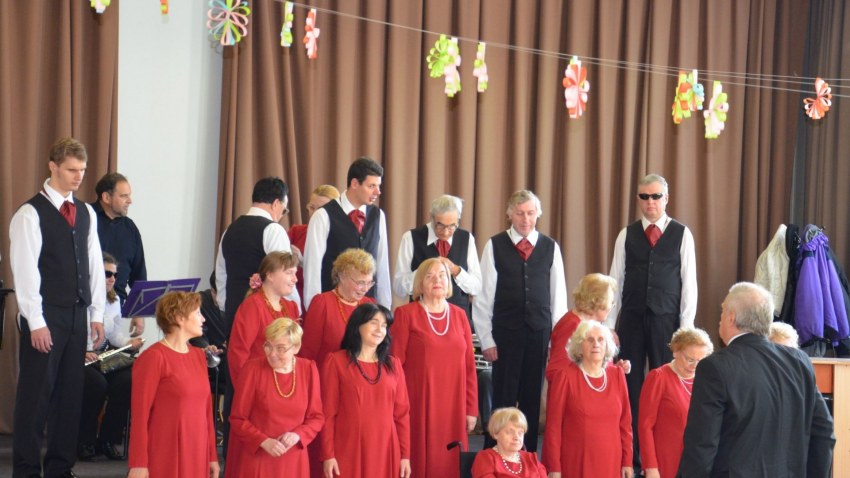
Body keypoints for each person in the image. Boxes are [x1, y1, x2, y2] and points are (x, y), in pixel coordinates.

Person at [9, 137, 106, 478]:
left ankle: (60, 468)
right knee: (35, 398)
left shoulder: (87, 212)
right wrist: (35, 321)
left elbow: (94, 265)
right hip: (45, 314)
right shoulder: (29, 214)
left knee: (69, 396)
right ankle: (25, 470)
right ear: (53, 167)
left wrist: (96, 314)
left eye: (83, 170)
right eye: (71, 170)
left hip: (78, 314)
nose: (79, 177)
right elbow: (25, 271)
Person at [678, 282, 835, 477]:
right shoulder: (799, 362)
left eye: (722, 311)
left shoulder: (714, 367)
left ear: (731, 317)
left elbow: (701, 446)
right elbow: (824, 433)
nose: (720, 318)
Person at [608, 173, 697, 471]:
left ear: (666, 199)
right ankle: (632, 458)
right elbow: (615, 281)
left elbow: (689, 285)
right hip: (631, 320)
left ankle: (658, 458)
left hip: (667, 323)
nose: (650, 202)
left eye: (656, 196)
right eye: (645, 196)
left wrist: (685, 330)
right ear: (638, 199)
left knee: (666, 389)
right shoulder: (627, 234)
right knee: (630, 386)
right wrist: (609, 327)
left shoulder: (682, 234)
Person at [473, 189, 567, 451]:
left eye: (530, 213)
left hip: (539, 333)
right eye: (519, 213)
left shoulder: (550, 247)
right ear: (509, 215)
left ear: (538, 214)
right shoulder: (495, 245)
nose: (525, 219)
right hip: (505, 334)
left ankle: (527, 457)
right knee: (502, 397)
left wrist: (556, 341)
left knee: (531, 398)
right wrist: (487, 339)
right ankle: (493, 455)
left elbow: (558, 298)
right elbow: (484, 297)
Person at [392, 258, 478, 478]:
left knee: (451, 462)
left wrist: (471, 409)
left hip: (454, 405)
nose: (437, 280)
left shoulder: (459, 315)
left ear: (449, 282)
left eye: (442, 275)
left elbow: (469, 366)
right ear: (420, 284)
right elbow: (395, 366)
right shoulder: (406, 314)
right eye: (429, 276)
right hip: (419, 405)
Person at [128, 291, 219, 478]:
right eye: (197, 313)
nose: (203, 319)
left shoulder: (198, 356)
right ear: (179, 318)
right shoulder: (153, 358)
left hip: (197, 449)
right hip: (166, 451)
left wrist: (212, 456)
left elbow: (207, 411)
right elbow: (140, 415)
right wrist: (138, 462)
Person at [320, 303, 411, 478]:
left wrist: (405, 455)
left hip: (386, 448)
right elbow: (328, 413)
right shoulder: (336, 361)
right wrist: (328, 454)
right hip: (348, 448)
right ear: (358, 325)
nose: (379, 329)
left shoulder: (394, 364)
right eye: (374, 323)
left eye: (384, 325)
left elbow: (402, 414)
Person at [226, 318, 324, 477]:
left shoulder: (308, 369)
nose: (272, 354)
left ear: (296, 348)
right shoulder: (252, 369)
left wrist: (298, 435)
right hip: (259, 457)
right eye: (268, 346)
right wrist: (263, 441)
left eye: (280, 348)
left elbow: (316, 417)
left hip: (294, 460)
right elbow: (238, 418)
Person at [543, 320, 633, 478]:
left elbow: (625, 424)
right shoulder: (564, 377)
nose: (596, 344)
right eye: (590, 340)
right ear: (579, 346)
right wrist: (554, 467)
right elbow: (553, 427)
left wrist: (627, 461)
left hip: (612, 462)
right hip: (576, 463)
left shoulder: (617, 375)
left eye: (601, 340)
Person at [78, 253, 143, 462]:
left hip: (101, 356)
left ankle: (108, 439)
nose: (112, 279)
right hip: (79, 358)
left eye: (115, 274)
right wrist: (82, 352)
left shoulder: (113, 300)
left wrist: (128, 342)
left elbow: (114, 333)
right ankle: (84, 441)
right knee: (97, 384)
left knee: (128, 379)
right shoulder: (80, 298)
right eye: (107, 274)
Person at [303, 157, 391, 309]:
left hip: (368, 308)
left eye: (378, 186)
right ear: (355, 183)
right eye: (371, 186)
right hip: (333, 306)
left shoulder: (378, 216)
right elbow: (312, 269)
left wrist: (385, 307)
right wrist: (314, 309)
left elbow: (382, 265)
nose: (378, 192)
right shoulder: (323, 216)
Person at [216, 176, 300, 335]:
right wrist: (295, 311)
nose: (282, 215)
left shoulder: (230, 230)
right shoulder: (273, 230)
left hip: (233, 312)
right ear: (276, 203)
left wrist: (226, 309)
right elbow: (285, 276)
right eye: (284, 210)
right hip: (264, 316)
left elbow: (221, 276)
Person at [638, 327, 713, 478]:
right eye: (690, 359)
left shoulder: (705, 381)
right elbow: (645, 426)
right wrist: (650, 466)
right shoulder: (659, 377)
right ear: (676, 351)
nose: (694, 366)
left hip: (695, 463)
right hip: (666, 462)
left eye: (700, 361)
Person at [393, 194, 482, 320]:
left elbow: (477, 287)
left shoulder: (467, 239)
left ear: (458, 220)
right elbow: (399, 288)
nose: (446, 232)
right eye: (440, 225)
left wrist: (456, 271)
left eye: (452, 226)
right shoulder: (410, 238)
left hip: (457, 318)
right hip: (421, 317)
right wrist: (424, 272)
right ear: (432, 217)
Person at [228, 251, 301, 385]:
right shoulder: (253, 306)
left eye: (295, 273)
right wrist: (245, 387)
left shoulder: (291, 307)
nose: (295, 279)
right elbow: (238, 352)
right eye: (289, 273)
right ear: (270, 275)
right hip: (259, 384)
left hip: (284, 384)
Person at [546, 273, 630, 380]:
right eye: (611, 302)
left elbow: (595, 366)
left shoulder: (593, 324)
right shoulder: (572, 325)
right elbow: (557, 371)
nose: (611, 306)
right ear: (598, 301)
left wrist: (615, 369)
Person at [300, 248, 376, 366]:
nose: (365, 289)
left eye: (369, 283)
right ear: (342, 276)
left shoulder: (370, 304)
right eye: (360, 283)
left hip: (360, 375)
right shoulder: (322, 303)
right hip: (328, 373)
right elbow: (308, 351)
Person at [92, 172, 146, 305]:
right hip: (87, 304)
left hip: (118, 305)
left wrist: (138, 311)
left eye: (129, 195)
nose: (130, 201)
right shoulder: (85, 219)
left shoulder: (130, 228)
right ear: (106, 197)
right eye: (123, 196)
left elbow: (139, 276)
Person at [289, 185, 341, 308]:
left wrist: (304, 263)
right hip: (296, 298)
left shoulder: (340, 238)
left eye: (322, 209)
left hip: (328, 299)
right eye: (312, 207)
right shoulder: (296, 231)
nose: (315, 214)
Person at [471, 407, 547, 478]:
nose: (516, 437)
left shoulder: (532, 459)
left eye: (520, 433)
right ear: (496, 433)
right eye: (510, 432)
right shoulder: (486, 458)